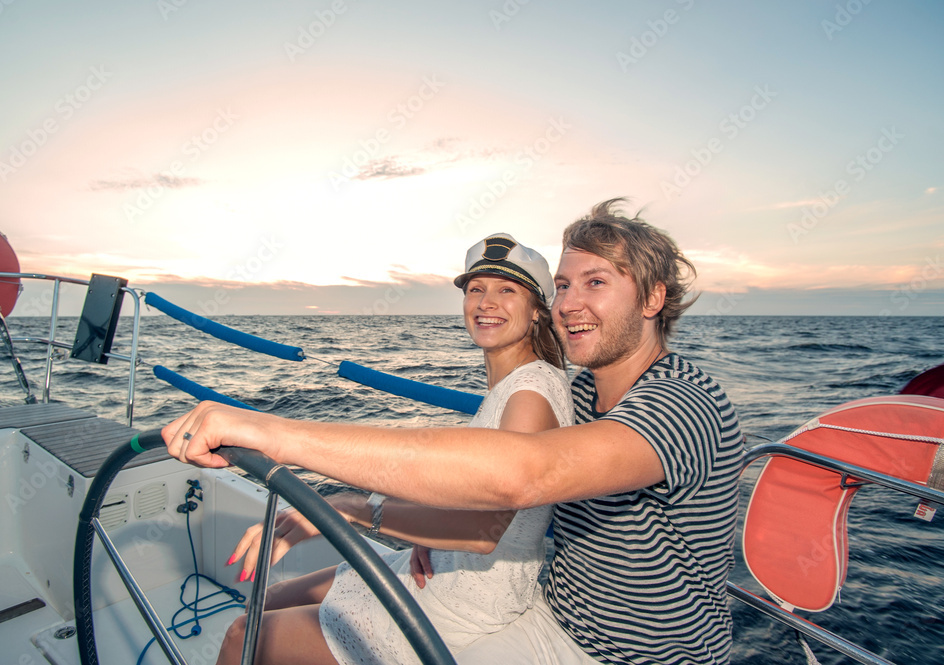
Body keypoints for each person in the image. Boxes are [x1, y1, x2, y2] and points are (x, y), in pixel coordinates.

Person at [166, 198, 745, 665]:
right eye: (564, 285)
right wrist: (427, 525)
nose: (571, 302)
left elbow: (521, 476)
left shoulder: (681, 403)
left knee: (250, 638)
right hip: (554, 615)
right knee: (262, 621)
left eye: (595, 282)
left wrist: (279, 439)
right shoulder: (586, 392)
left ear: (652, 298)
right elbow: (487, 481)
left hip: (636, 657)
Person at [208, 233, 575, 665]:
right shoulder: (513, 385)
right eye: (476, 289)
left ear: (536, 311)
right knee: (265, 602)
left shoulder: (530, 393)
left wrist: (353, 508)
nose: (486, 302)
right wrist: (425, 535)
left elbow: (484, 531)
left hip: (464, 603)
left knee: (241, 636)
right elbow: (467, 484)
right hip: (438, 567)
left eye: (507, 290)